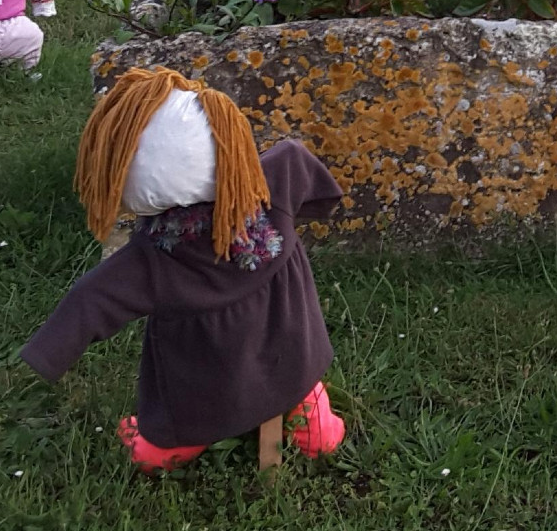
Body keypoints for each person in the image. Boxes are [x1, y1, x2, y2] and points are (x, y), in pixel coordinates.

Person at [21, 67, 349, 471]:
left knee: (163, 442)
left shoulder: (151, 260)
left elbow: (91, 300)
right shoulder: (274, 186)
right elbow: (300, 162)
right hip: (295, 354)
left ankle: (173, 444)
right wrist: (322, 205)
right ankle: (316, 431)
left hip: (208, 386)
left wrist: (47, 353)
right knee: (305, 389)